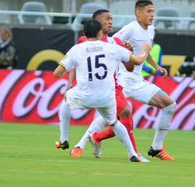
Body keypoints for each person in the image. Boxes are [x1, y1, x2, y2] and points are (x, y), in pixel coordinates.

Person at [53, 19, 150, 162]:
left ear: (84, 34)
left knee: (66, 99)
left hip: (84, 95)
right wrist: (145, 51)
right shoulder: (112, 47)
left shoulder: (76, 49)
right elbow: (138, 61)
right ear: (100, 33)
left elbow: (57, 73)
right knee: (115, 123)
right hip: (106, 97)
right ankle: (132, 154)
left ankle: (64, 139)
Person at [112, 0, 176, 161]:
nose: (152, 15)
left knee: (169, 105)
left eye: (153, 11)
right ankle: (83, 142)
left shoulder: (151, 30)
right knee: (109, 113)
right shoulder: (131, 28)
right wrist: (125, 50)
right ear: (138, 13)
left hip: (137, 81)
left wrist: (156, 67)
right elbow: (112, 42)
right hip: (123, 78)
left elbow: (145, 53)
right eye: (148, 11)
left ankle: (156, 147)